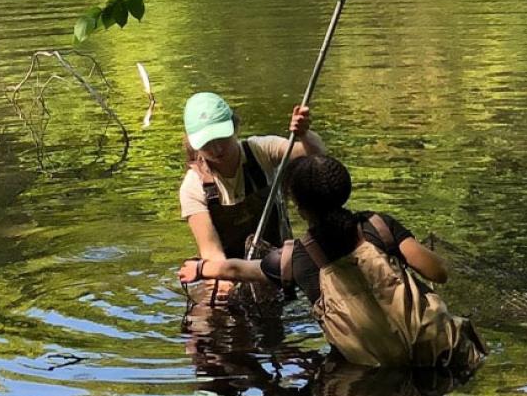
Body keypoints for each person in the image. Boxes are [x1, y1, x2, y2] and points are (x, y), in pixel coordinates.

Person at [179, 154, 485, 370]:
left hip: (376, 371)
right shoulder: (379, 226)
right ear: (344, 190)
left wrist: (200, 269)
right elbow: (439, 273)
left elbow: (239, 269)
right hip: (448, 352)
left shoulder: (298, 259)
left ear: (299, 208)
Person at [179, 92, 325, 302]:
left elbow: (318, 158)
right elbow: (211, 253)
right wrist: (229, 288)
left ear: (235, 127)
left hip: (279, 263)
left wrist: (304, 135)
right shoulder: (193, 187)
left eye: (222, 138)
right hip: (228, 271)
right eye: (207, 143)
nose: (217, 149)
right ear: (194, 144)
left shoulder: (261, 150)